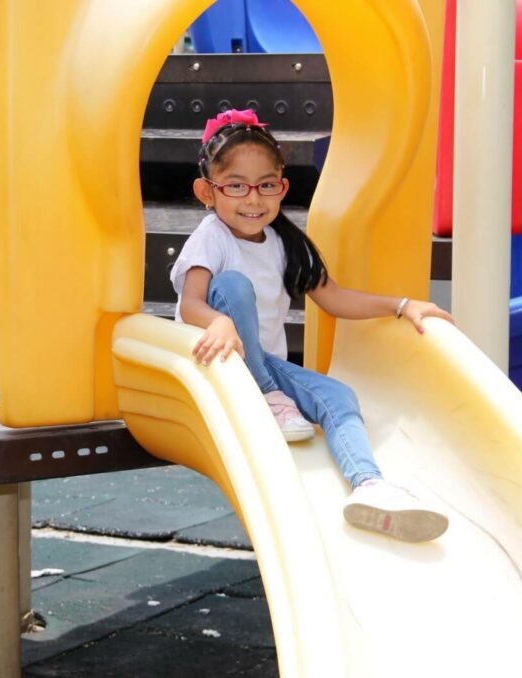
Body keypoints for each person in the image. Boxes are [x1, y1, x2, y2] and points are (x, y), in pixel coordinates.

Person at [170, 109, 451, 542]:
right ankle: (268, 395)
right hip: (217, 364)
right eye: (236, 186)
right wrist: (219, 320)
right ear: (207, 192)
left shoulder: (284, 242)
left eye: (267, 185)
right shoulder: (211, 236)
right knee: (232, 285)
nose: (253, 199)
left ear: (282, 185)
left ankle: (370, 486)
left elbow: (334, 297)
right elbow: (191, 304)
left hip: (261, 363)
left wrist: (402, 304)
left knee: (339, 397)